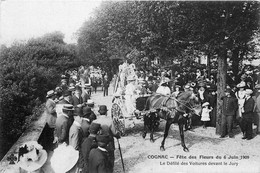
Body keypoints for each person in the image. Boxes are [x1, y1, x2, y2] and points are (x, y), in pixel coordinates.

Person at [92, 105, 120, 172]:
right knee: (110, 159)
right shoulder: (109, 121)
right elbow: (114, 132)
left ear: (99, 112)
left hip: (98, 143)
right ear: (106, 112)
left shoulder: (95, 121)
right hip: (109, 143)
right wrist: (117, 135)